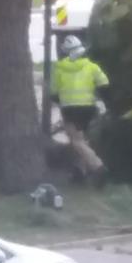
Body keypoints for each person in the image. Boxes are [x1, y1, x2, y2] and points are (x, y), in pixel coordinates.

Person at [51, 35, 110, 187]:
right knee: (83, 141)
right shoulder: (91, 66)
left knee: (77, 142)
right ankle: (80, 173)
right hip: (88, 109)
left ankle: (98, 167)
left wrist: (62, 100)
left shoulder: (59, 69)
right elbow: (104, 84)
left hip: (70, 109)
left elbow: (53, 92)